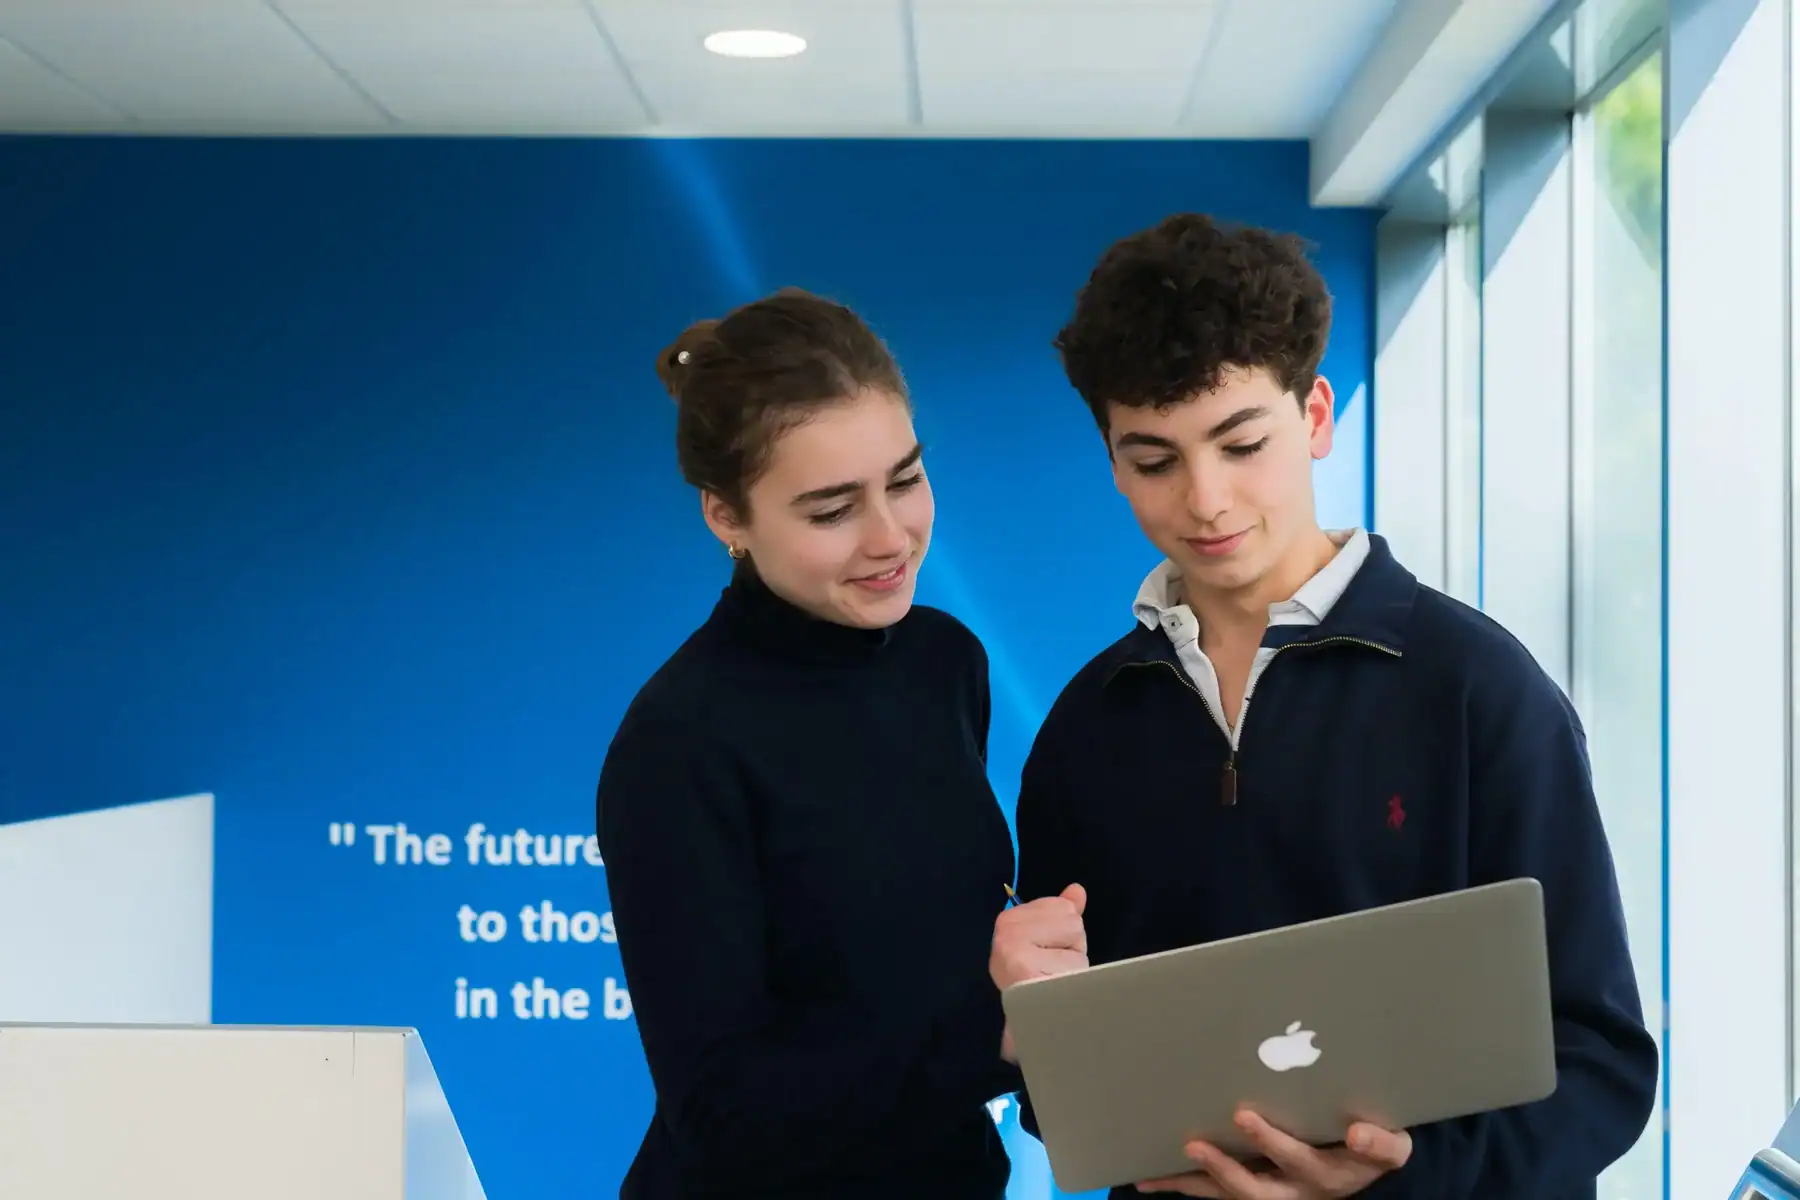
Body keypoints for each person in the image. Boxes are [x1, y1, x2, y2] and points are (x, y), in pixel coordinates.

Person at [988, 214, 1660, 1199]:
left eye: (1241, 442)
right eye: (1154, 459)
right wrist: (1034, 1029)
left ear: (1314, 416)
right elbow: (1065, 1109)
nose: (1207, 500)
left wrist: (1397, 1179)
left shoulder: (1482, 692)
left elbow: (1602, 1069)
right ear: (1111, 456)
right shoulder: (1087, 730)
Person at [595, 288, 1021, 1200]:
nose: (890, 538)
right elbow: (721, 1113)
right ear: (726, 518)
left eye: (905, 480)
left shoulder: (947, 662)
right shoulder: (677, 743)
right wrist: (1000, 1037)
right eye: (832, 510)